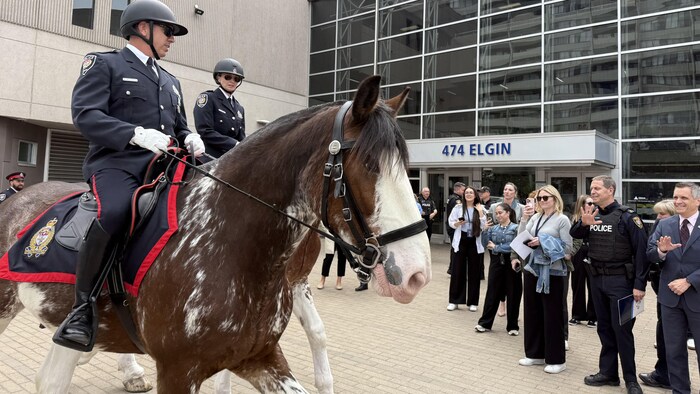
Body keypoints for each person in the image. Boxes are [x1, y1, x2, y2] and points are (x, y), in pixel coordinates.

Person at [53, 0, 204, 351]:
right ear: (142, 28)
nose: (172, 39)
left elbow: (179, 126)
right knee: (117, 210)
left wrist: (191, 138)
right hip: (117, 164)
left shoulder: (170, 79)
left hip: (165, 166)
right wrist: (134, 133)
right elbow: (85, 114)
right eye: (168, 31)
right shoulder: (105, 64)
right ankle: (82, 309)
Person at [570, 175, 648, 394]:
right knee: (604, 328)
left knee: (622, 330)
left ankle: (631, 380)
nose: (592, 191)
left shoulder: (627, 218)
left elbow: (642, 253)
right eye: (591, 188)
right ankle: (608, 373)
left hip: (621, 282)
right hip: (597, 280)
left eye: (596, 188)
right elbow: (574, 234)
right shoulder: (590, 215)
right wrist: (583, 224)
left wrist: (640, 285)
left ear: (610, 190)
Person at [646, 182, 700, 394]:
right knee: (674, 352)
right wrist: (660, 251)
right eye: (676, 197)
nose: (678, 201)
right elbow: (649, 253)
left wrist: (689, 280)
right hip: (670, 302)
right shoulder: (665, 225)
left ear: (697, 200)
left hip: (697, 297)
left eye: (684, 198)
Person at [515, 185, 572, 374]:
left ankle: (557, 359)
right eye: (539, 198)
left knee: (552, 315)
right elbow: (521, 237)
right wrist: (524, 218)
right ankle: (534, 354)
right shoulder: (535, 217)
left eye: (545, 198)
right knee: (532, 312)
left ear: (555, 199)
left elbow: (568, 250)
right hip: (532, 269)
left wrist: (544, 241)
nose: (541, 201)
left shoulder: (562, 220)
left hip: (553, 273)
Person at [637, 199, 675, 389]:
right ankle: (664, 373)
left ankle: (666, 375)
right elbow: (649, 253)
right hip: (661, 286)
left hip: (676, 289)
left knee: (668, 332)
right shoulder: (659, 229)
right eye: (657, 214)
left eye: (662, 214)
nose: (658, 218)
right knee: (664, 331)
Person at [475, 202, 521, 335]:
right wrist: (484, 230)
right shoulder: (493, 228)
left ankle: (512, 326)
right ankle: (485, 323)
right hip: (496, 262)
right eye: (496, 213)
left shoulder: (516, 228)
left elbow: (514, 246)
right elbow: (485, 244)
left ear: (508, 213)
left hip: (511, 262)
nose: (498, 215)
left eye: (500, 213)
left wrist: (496, 247)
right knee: (492, 293)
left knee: (513, 293)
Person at [193, 58, 246, 158]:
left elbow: (241, 138)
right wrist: (234, 144)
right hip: (209, 157)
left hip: (231, 159)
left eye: (236, 79)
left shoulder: (239, 108)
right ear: (218, 78)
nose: (232, 81)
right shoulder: (208, 98)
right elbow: (205, 131)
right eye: (228, 77)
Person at [446, 186, 485, 312]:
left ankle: (473, 302)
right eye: (466, 192)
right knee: (457, 271)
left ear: (475, 195)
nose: (468, 194)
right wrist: (457, 224)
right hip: (461, 240)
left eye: (471, 193)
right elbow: (451, 222)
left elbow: (485, 226)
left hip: (474, 240)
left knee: (474, 272)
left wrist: (480, 213)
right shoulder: (458, 208)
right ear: (464, 195)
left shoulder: (481, 208)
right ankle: (454, 301)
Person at [490, 182, 523, 316]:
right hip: (496, 246)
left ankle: (512, 308)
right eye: (505, 189)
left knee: (513, 279)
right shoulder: (494, 207)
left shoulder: (521, 207)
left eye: (510, 190)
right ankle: (502, 303)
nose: (507, 192)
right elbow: (492, 224)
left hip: (514, 248)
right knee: (499, 278)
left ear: (515, 193)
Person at [569, 194, 597, 328]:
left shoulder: (597, 218)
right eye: (589, 203)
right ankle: (577, 315)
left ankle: (593, 316)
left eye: (593, 203)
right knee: (577, 284)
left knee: (593, 285)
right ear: (582, 205)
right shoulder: (574, 220)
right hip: (579, 253)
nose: (592, 206)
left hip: (593, 252)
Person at [445, 182, 466, 275]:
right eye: (463, 190)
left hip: (452, 226)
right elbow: (458, 215)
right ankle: (453, 268)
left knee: (454, 247)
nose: (464, 192)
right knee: (455, 247)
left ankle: (452, 268)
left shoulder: (451, 197)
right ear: (457, 189)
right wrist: (465, 221)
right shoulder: (456, 200)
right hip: (454, 227)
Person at [477, 186, 493, 280]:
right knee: (480, 253)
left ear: (488, 193)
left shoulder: (492, 204)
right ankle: (480, 274)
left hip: (490, 231)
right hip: (484, 231)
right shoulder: (482, 204)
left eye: (483, 192)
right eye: (480, 192)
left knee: (492, 254)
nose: (481, 194)